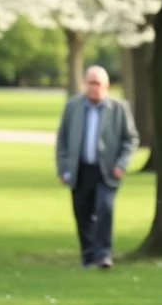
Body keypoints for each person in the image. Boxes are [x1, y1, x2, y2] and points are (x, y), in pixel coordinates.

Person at [55, 65, 139, 269]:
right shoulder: (73, 106)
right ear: (85, 84)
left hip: (107, 170)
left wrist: (121, 164)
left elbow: (131, 139)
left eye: (98, 83)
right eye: (90, 83)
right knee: (82, 212)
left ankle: (103, 255)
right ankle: (87, 255)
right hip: (80, 169)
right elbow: (62, 139)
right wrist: (63, 168)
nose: (94, 87)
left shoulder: (118, 108)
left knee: (104, 208)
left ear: (106, 85)